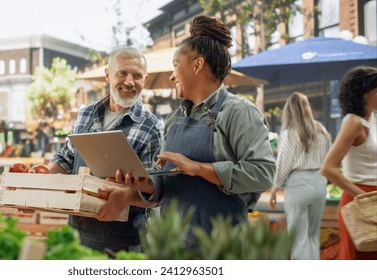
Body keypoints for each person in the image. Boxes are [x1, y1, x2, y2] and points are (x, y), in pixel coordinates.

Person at [109, 15, 275, 244]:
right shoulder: (175, 119)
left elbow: (263, 174)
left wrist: (198, 168)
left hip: (221, 249)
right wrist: (144, 184)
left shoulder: (239, 112)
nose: (171, 75)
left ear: (197, 65)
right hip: (174, 247)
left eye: (175, 65)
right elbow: (166, 185)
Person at [47, 46, 163, 253]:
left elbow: (156, 192)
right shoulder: (86, 114)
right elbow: (65, 159)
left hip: (125, 243)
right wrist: (35, 184)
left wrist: (127, 195)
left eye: (137, 75)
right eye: (122, 73)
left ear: (144, 81)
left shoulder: (152, 127)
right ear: (108, 75)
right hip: (76, 232)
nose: (129, 81)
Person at [321, 66, 377, 260]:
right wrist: (363, 197)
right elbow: (328, 168)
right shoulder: (353, 123)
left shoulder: (372, 119)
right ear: (367, 93)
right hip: (361, 199)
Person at [268, 92, 331, 260]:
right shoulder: (321, 129)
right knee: (312, 236)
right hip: (320, 183)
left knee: (298, 239)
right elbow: (328, 158)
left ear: (289, 112)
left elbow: (283, 164)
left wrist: (274, 189)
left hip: (299, 185)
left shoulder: (289, 133)